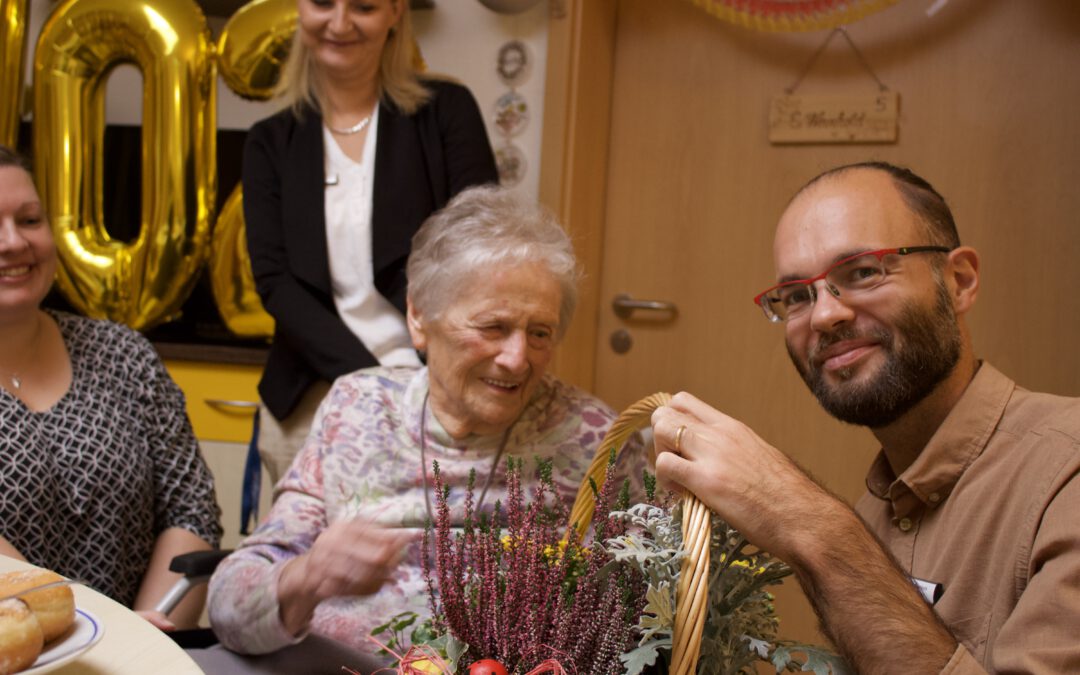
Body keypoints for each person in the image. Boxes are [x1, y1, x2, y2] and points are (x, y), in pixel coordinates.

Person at [651, 161, 1080, 674]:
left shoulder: (1065, 474)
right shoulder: (875, 511)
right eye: (796, 296)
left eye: (862, 272)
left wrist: (808, 523)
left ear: (960, 281)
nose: (825, 315)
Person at [207, 186, 645, 663]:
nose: (518, 359)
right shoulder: (355, 409)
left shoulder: (596, 442)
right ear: (418, 316)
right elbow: (229, 606)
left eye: (540, 333)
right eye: (492, 328)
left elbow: (640, 623)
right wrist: (306, 577)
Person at [244, 0, 498, 485]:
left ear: (395, 12)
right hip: (311, 397)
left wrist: (417, 383)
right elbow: (275, 283)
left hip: (437, 392)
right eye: (323, 3)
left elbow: (477, 257)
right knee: (305, 559)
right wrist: (371, 383)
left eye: (362, 6)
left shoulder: (446, 113)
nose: (339, 23)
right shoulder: (269, 142)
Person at [0, 145, 223, 630]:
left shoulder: (123, 354)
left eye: (30, 220)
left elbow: (191, 511)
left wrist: (145, 639)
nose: (13, 242)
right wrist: (98, 640)